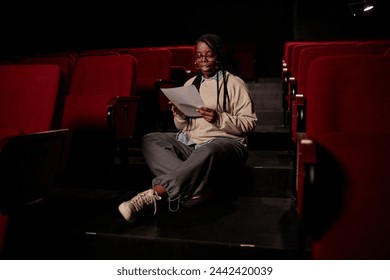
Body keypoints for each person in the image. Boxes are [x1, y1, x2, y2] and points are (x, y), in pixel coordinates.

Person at [118, 34, 258, 223]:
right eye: (200, 56)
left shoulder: (234, 83)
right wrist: (180, 115)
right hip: (193, 143)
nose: (204, 60)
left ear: (218, 56)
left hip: (226, 144)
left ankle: (154, 194)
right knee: (150, 139)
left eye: (209, 55)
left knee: (209, 149)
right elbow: (184, 128)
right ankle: (199, 188)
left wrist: (219, 118)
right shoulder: (190, 83)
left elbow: (249, 123)